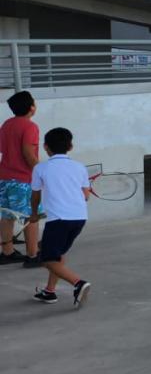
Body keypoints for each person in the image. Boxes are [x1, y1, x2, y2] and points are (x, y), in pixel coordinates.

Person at [30, 127, 92, 308]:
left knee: (47, 259)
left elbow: (35, 196)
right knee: (57, 254)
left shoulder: (40, 168)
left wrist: (34, 214)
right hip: (79, 218)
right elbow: (86, 195)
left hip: (58, 220)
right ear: (70, 146)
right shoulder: (79, 167)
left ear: (45, 147)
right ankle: (49, 292)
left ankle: (78, 283)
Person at [0, 90, 42, 267]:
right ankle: (33, 256)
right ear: (31, 107)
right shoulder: (30, 126)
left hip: (4, 178)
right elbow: (28, 153)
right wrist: (41, 172)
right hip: (23, 180)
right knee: (31, 216)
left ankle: (7, 252)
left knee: (6, 215)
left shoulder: (7, 124)